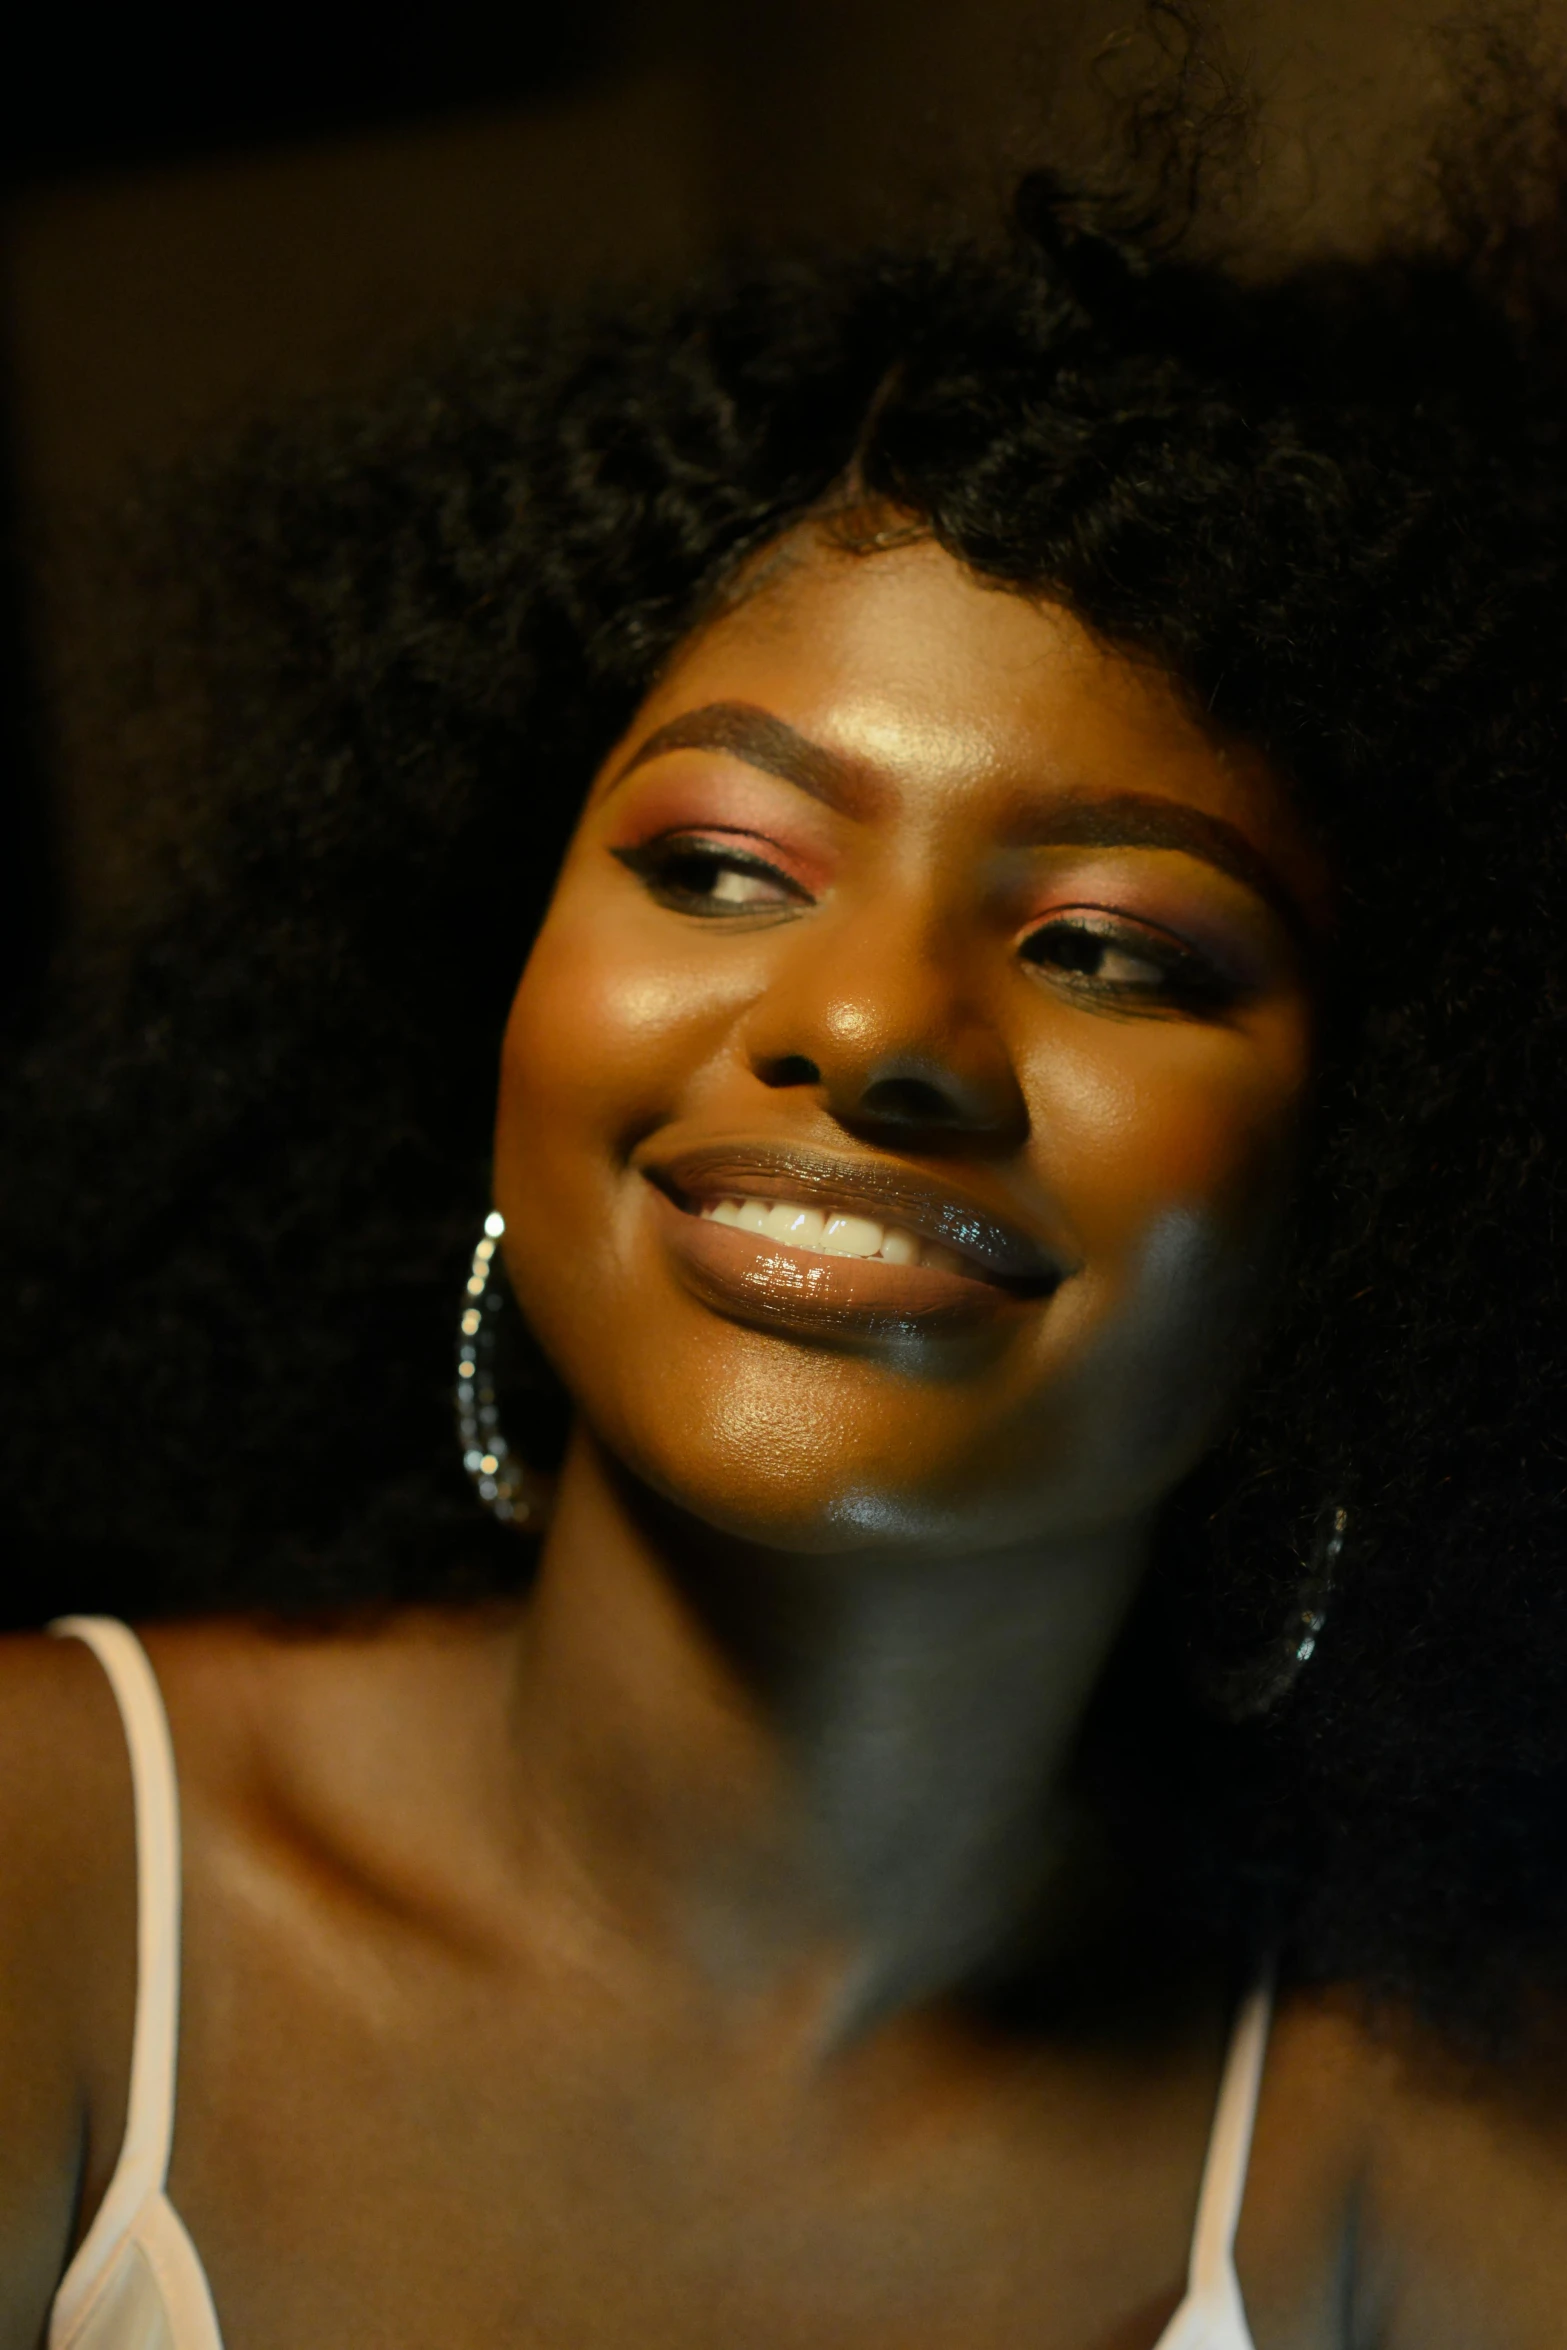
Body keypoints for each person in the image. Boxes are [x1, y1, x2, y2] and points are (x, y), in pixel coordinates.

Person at [2, 29, 1567, 2348]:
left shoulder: (1432, 2152)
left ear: (1386, 1194)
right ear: (496, 982)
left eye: (1111, 945)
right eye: (723, 864)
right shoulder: (51, 1880)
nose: (874, 1024)